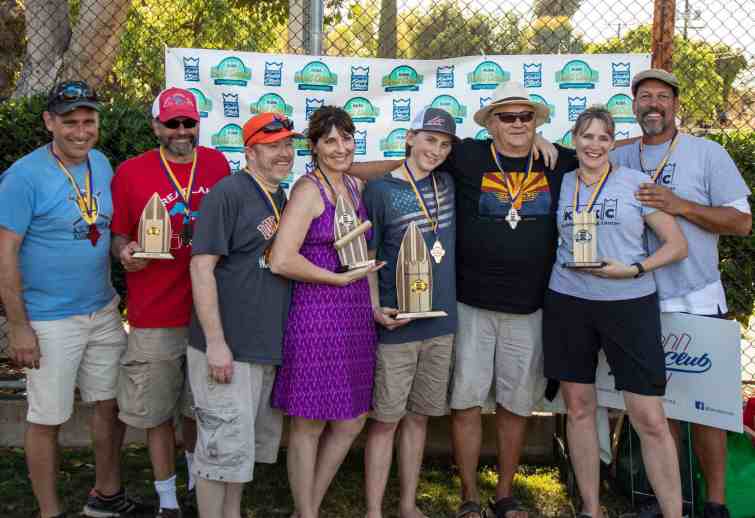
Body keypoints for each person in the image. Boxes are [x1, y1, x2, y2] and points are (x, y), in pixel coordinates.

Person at [351, 81, 574, 518]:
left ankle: (505, 494)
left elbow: (600, 150)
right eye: (506, 117)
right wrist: (341, 168)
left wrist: (544, 140)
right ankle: (470, 496)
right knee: (465, 403)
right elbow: (410, 161)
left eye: (525, 117)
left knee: (514, 405)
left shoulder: (556, 160)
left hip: (527, 308)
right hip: (469, 306)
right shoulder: (467, 156)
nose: (516, 124)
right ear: (490, 124)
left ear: (537, 123)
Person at [611, 69, 752, 518]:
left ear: (675, 106)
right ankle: (669, 500)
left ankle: (715, 504)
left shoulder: (707, 153)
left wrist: (681, 205)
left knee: (707, 410)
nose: (653, 104)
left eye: (662, 97)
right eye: (644, 96)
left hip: (696, 296)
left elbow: (741, 223)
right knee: (658, 410)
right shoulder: (620, 156)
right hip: (638, 298)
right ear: (635, 107)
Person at [0, 81, 141, 518]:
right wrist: (19, 324)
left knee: (109, 404)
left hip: (101, 309)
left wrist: (122, 251)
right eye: (70, 122)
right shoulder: (22, 177)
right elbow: (4, 253)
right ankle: (49, 511)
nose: (81, 131)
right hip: (48, 319)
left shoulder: (101, 163)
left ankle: (106, 495)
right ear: (49, 123)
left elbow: (107, 230)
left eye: (88, 121)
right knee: (47, 417)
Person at [544, 105, 688, 518]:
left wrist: (634, 269)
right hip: (568, 301)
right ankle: (590, 508)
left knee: (648, 417)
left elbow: (677, 245)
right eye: (586, 136)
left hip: (628, 302)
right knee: (579, 408)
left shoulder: (635, 183)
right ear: (575, 140)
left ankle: (673, 513)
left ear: (612, 142)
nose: (594, 145)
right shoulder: (562, 181)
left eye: (603, 138)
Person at [111, 87, 230, 517]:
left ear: (198, 123)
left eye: (189, 122)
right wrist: (125, 253)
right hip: (154, 314)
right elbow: (119, 235)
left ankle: (197, 480)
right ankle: (167, 500)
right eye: (173, 123)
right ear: (156, 126)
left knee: (199, 408)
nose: (182, 131)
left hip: (208, 315)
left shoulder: (217, 164)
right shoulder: (131, 173)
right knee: (157, 412)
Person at [269, 106, 383, 518]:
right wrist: (333, 280)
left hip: (354, 316)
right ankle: (308, 511)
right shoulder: (307, 191)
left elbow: (362, 255)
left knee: (352, 419)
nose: (341, 148)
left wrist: (373, 307)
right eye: (330, 141)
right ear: (313, 147)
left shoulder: (353, 185)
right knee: (308, 423)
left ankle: (308, 506)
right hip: (317, 313)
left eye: (347, 139)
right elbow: (281, 259)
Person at [187, 112, 295, 518]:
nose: (284, 153)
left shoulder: (283, 197)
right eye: (272, 146)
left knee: (238, 453)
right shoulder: (228, 193)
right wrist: (216, 343)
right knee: (218, 456)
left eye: (288, 144)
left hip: (262, 348)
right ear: (250, 151)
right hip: (228, 348)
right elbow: (201, 267)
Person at [362, 107, 458, 518]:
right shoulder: (380, 191)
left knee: (419, 418)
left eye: (443, 143)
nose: (435, 150)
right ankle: (372, 510)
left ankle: (406, 504)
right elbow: (367, 255)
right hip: (397, 321)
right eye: (429, 139)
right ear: (409, 138)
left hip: (441, 322)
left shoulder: (449, 184)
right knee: (386, 420)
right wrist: (373, 307)